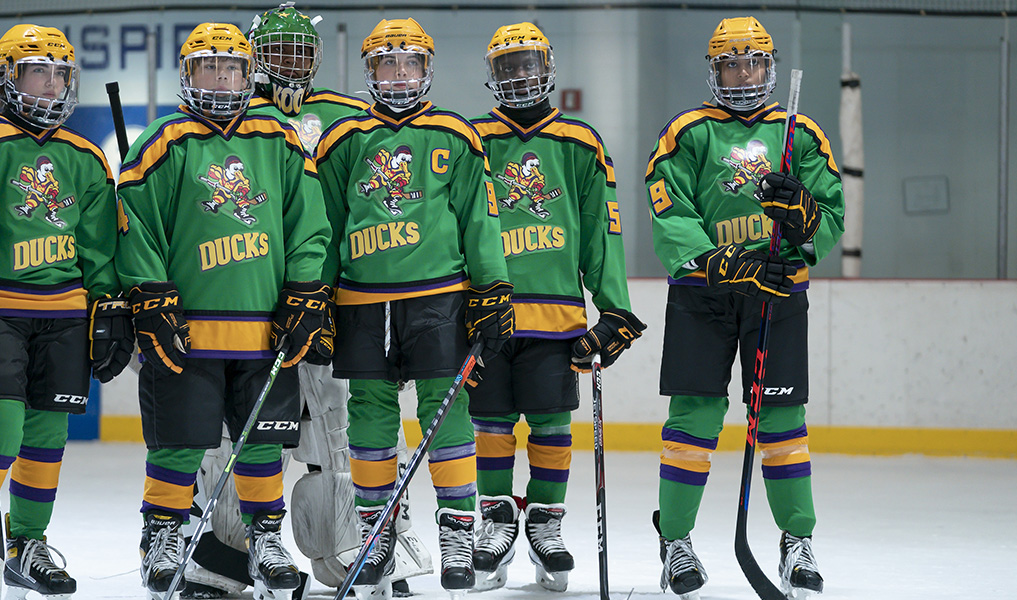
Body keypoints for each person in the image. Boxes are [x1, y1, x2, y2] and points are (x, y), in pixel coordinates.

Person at [179, 5, 433, 598]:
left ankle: (355, 547)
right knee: (232, 433)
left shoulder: (350, 115)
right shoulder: (230, 120)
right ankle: (224, 552)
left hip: (335, 302)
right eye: (279, 49)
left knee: (338, 432)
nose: (292, 62)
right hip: (247, 302)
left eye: (302, 49)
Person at [115, 22, 332, 600]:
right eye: (209, 67)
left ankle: (265, 541)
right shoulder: (165, 140)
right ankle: (162, 537)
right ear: (187, 74)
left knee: (264, 441)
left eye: (233, 68)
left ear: (248, 73)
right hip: (189, 332)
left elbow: (308, 223)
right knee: (179, 443)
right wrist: (151, 293)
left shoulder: (278, 137)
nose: (222, 78)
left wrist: (304, 291)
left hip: (264, 331)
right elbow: (135, 226)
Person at [0, 23, 133, 600]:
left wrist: (108, 305)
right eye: (38, 71)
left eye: (60, 73)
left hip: (64, 311)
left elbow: (98, 247)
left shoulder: (86, 155)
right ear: (8, 76)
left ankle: (27, 543)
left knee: (48, 432)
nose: (51, 84)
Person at [313, 17, 514, 600]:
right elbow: (325, 227)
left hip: (438, 297)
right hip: (362, 299)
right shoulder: (344, 140)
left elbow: (481, 217)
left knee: (446, 407)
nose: (399, 74)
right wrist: (314, 296)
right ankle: (377, 531)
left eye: (410, 63)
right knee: (371, 412)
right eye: (387, 63)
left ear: (428, 69)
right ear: (370, 71)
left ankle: (457, 529)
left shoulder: (456, 135)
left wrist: (493, 286)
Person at [644, 16, 844, 599]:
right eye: (731, 63)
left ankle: (796, 541)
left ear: (770, 67)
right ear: (714, 70)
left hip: (777, 297)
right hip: (703, 296)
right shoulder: (687, 131)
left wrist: (803, 216)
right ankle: (675, 543)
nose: (743, 73)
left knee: (782, 424)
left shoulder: (799, 133)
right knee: (693, 421)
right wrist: (721, 262)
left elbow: (828, 213)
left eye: (753, 62)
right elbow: (669, 211)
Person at [466, 22, 645, 593]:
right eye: (507, 66)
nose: (519, 76)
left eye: (528, 64)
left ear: (547, 67)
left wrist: (614, 310)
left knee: (549, 423)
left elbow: (602, 232)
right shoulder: (470, 138)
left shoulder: (580, 142)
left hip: (555, 319)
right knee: (490, 423)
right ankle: (495, 520)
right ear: (492, 75)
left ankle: (544, 522)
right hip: (488, 316)